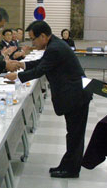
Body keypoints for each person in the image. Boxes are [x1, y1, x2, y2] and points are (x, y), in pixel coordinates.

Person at [6, 21, 92, 178]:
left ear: (43, 36)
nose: (32, 42)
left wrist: (17, 77)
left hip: (76, 96)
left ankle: (71, 169)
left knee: (75, 135)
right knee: (72, 133)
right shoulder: (54, 45)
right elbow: (41, 63)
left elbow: (40, 70)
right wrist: (21, 64)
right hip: (75, 94)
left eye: (33, 39)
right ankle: (67, 165)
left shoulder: (55, 48)